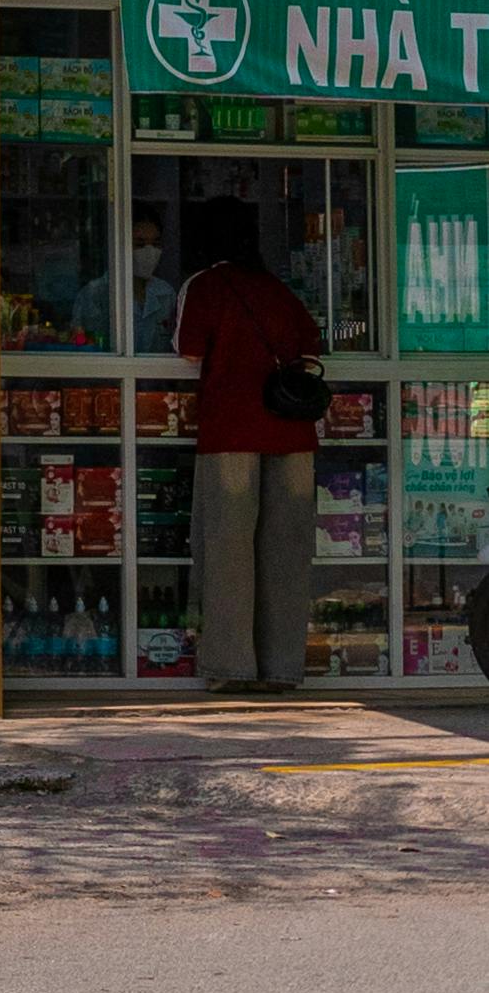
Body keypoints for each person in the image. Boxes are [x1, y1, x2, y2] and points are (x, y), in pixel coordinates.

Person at [177, 191, 324, 692]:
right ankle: (283, 667)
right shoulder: (278, 289)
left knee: (228, 550)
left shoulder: (205, 286)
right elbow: (316, 345)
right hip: (294, 436)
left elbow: (188, 351)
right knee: (286, 554)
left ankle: (231, 668)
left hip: (230, 435)